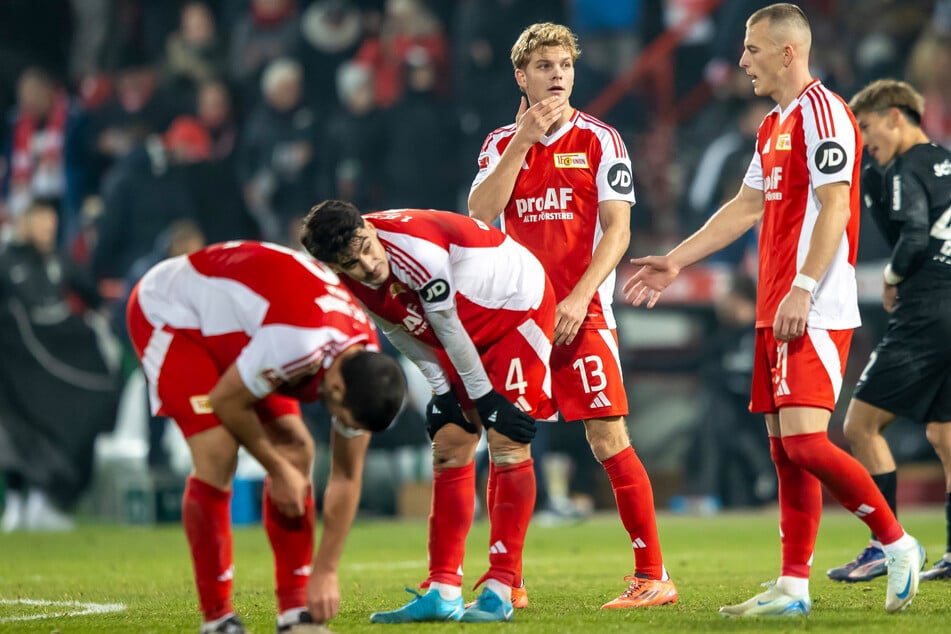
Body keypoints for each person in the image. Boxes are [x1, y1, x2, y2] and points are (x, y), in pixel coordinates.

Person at [623, 3, 924, 616]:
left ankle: (896, 542)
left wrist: (805, 286)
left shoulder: (826, 114)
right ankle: (792, 587)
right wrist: (677, 259)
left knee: (809, 443)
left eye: (752, 49)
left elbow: (836, 208)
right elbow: (745, 206)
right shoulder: (773, 124)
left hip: (811, 304)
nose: (741, 61)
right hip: (775, 303)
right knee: (785, 450)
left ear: (788, 52)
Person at [467, 21, 677, 609]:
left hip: (581, 314)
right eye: (544, 67)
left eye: (564, 65)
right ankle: (507, 578)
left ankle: (653, 575)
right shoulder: (496, 143)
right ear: (521, 77)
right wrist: (519, 144)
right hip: (517, 319)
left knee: (607, 435)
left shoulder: (602, 140)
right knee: (508, 442)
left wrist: (581, 296)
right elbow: (481, 215)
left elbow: (619, 230)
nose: (557, 75)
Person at [126, 240, 406, 634]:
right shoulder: (299, 342)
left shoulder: (363, 354)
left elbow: (347, 474)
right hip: (173, 314)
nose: (343, 426)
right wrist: (275, 468)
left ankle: (294, 614)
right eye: (343, 418)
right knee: (219, 453)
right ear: (338, 390)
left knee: (298, 452)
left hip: (242, 329)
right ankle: (218, 618)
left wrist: (325, 571)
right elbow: (226, 401)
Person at [301, 200, 554, 623]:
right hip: (456, 326)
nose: (367, 265)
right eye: (351, 263)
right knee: (449, 444)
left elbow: (447, 323)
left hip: (515, 307)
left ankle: (500, 588)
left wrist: (488, 401)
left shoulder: (415, 248)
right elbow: (398, 328)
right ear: (334, 265)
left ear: (367, 225)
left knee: (507, 442)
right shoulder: (346, 280)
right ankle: (443, 591)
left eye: (365, 247)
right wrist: (442, 392)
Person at [824, 79, 951, 583]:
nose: (864, 140)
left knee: (859, 426)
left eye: (868, 127)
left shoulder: (904, 168)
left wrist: (893, 279)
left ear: (897, 117)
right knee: (944, 432)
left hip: (927, 308)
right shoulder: (945, 160)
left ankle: (885, 543)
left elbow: (915, 234)